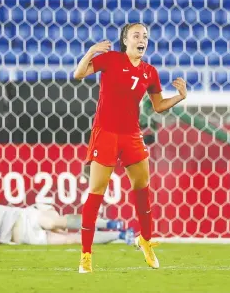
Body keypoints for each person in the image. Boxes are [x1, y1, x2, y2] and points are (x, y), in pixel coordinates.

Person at [73, 23, 187, 273]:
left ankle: (145, 240)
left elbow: (157, 106)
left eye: (145, 36)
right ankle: (86, 255)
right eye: (136, 35)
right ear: (125, 40)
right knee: (96, 191)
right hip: (106, 134)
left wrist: (179, 97)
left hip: (132, 135)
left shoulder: (149, 72)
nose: (142, 39)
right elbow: (79, 74)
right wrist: (91, 51)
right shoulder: (111, 59)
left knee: (142, 187)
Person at [0, 201, 134, 245]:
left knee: (54, 222)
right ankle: (120, 235)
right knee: (71, 240)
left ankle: (108, 223)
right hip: (28, 237)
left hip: (27, 217)